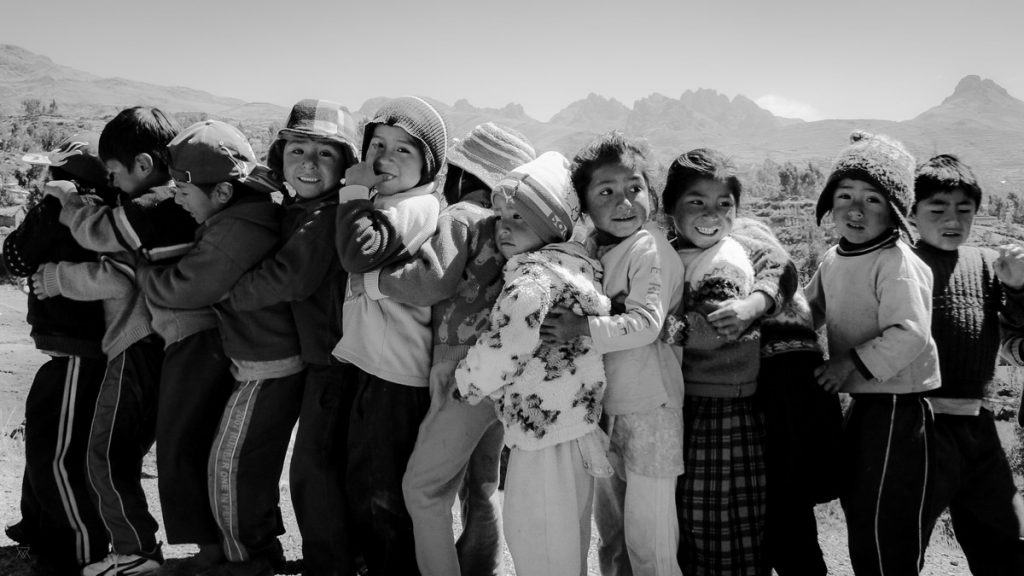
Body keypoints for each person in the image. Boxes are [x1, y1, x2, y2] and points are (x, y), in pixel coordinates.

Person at [350, 122, 536, 576]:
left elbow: (433, 281)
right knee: (483, 481)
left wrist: (374, 281)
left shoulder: (460, 217)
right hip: (500, 369)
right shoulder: (510, 228)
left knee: (427, 487)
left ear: (457, 173)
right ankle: (479, 565)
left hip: (456, 367)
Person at [136, 119, 304, 576]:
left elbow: (187, 289)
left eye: (185, 193)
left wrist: (143, 274)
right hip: (259, 361)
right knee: (238, 462)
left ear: (223, 193)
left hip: (265, 367)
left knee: (229, 463)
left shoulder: (235, 231)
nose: (179, 200)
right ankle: (249, 551)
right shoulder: (244, 215)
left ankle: (243, 560)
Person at [36, 106, 197, 576]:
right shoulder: (177, 202)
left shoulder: (156, 209)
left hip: (137, 343)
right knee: (118, 453)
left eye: (114, 174)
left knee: (105, 455)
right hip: (159, 347)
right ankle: (137, 547)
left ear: (144, 166)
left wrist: (57, 273)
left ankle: (136, 552)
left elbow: (119, 276)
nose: (112, 182)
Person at [455, 151, 613, 576]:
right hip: (576, 424)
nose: (504, 225)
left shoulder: (531, 279)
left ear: (552, 225)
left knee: (535, 537)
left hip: (542, 431)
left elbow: (508, 344)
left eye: (519, 217)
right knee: (567, 539)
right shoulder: (575, 266)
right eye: (501, 214)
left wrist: (468, 380)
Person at [542, 132, 684, 576]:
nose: (625, 202)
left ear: (652, 195)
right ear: (584, 204)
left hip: (651, 409)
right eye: (607, 192)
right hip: (606, 411)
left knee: (651, 539)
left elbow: (646, 324)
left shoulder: (649, 248)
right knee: (615, 535)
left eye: (635, 189)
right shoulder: (592, 251)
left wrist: (580, 329)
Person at [228, 99, 361, 576]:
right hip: (322, 357)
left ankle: (332, 564)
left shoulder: (324, 219)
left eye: (325, 154)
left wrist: (228, 293)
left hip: (333, 361)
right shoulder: (306, 208)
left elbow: (288, 278)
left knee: (314, 468)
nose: (308, 163)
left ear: (347, 166)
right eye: (297, 150)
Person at [805, 131, 941, 576]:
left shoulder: (896, 263)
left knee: (886, 517)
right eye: (844, 195)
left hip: (898, 406)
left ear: (897, 213)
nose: (856, 209)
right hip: (866, 402)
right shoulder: (834, 258)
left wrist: (847, 362)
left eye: (873, 200)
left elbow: (910, 333)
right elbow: (811, 309)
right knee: (861, 504)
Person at [332, 95, 448, 575]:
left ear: (428, 166)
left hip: (395, 375)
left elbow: (360, 253)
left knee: (382, 489)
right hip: (373, 365)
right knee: (361, 477)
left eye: (404, 150)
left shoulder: (416, 206)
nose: (383, 156)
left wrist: (352, 195)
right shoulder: (389, 202)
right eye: (377, 144)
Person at [660, 148, 781, 576]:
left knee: (715, 518)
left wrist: (650, 328)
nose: (712, 214)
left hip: (721, 406)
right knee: (696, 517)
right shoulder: (679, 251)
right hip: (692, 400)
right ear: (669, 207)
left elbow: (711, 329)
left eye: (724, 204)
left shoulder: (724, 260)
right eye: (697, 202)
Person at [1, 132, 115, 573]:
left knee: (57, 456)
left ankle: (77, 549)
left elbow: (15, 258)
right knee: (47, 442)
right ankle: (38, 528)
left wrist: (40, 212)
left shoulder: (58, 209)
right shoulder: (106, 208)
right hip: (81, 351)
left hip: (77, 352)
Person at [910, 154, 1024, 573]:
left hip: (979, 426)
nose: (952, 220)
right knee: (904, 540)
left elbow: (1017, 331)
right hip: (918, 427)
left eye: (965, 210)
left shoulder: (988, 265)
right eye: (937, 209)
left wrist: (1017, 287)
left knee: (1006, 536)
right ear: (912, 213)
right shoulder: (901, 264)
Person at [733, 218, 843, 576]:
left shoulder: (741, 252)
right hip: (806, 391)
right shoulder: (765, 248)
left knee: (778, 513)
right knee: (791, 512)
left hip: (781, 396)